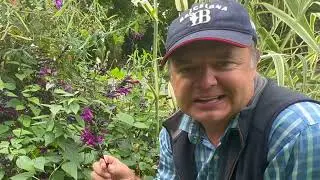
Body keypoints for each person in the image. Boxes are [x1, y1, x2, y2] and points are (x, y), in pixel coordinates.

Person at [91, 0, 320, 179]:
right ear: (171, 76)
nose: (207, 82)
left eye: (224, 63)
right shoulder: (176, 133)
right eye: (188, 68)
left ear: (254, 63)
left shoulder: (298, 132)